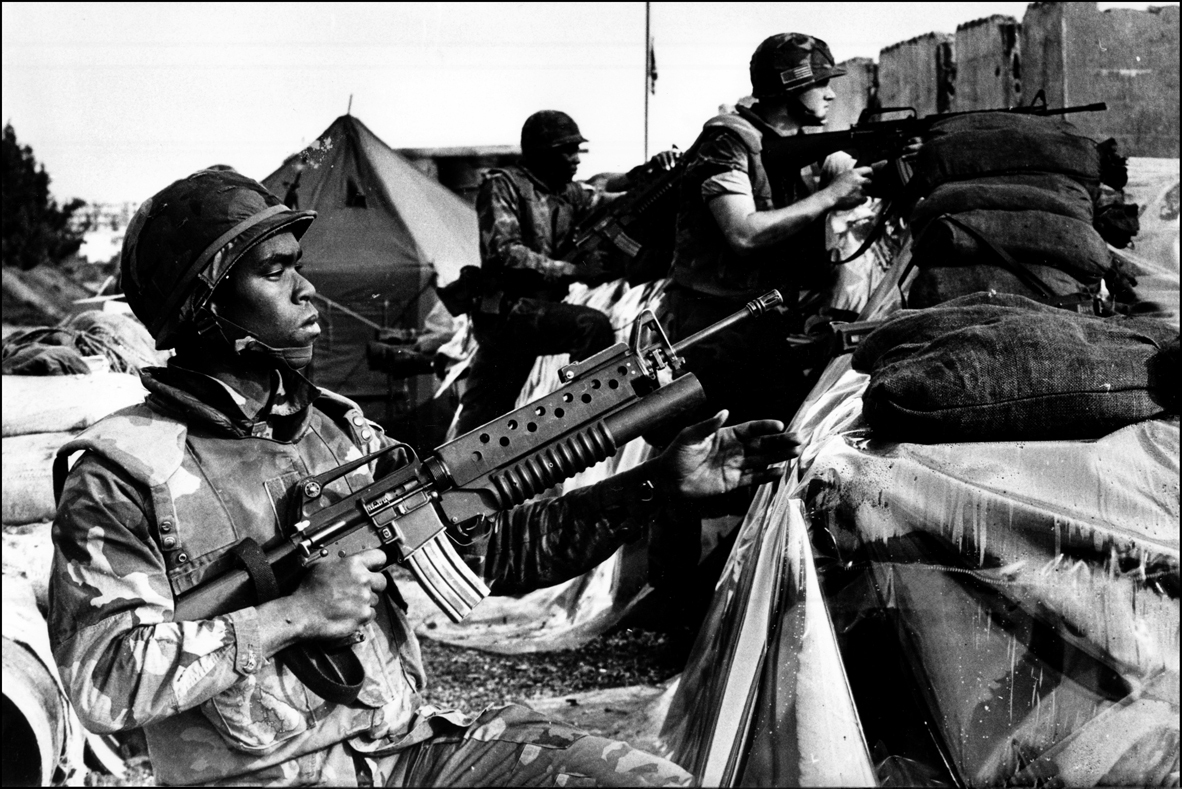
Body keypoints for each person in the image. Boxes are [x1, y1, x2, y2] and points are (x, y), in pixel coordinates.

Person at [47, 168, 800, 787]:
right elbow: (103, 677)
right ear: (205, 304)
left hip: (404, 753)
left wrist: (655, 486)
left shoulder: (333, 428)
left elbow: (486, 557)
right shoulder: (125, 474)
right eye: (276, 272)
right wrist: (295, 614)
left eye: (298, 268)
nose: (307, 290)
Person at [662, 33, 874, 427]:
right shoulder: (726, 141)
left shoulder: (802, 147)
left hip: (761, 323)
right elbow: (743, 233)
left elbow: (850, 180)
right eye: (820, 83)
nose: (830, 95)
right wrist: (830, 196)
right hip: (712, 327)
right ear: (788, 87)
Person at [454, 110, 677, 435]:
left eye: (576, 150)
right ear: (541, 154)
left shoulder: (567, 192)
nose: (575, 159)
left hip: (533, 310)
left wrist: (650, 173)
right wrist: (574, 270)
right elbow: (506, 253)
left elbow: (611, 197)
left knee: (485, 416)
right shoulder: (502, 186)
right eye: (566, 151)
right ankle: (579, 428)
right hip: (506, 310)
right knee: (591, 327)